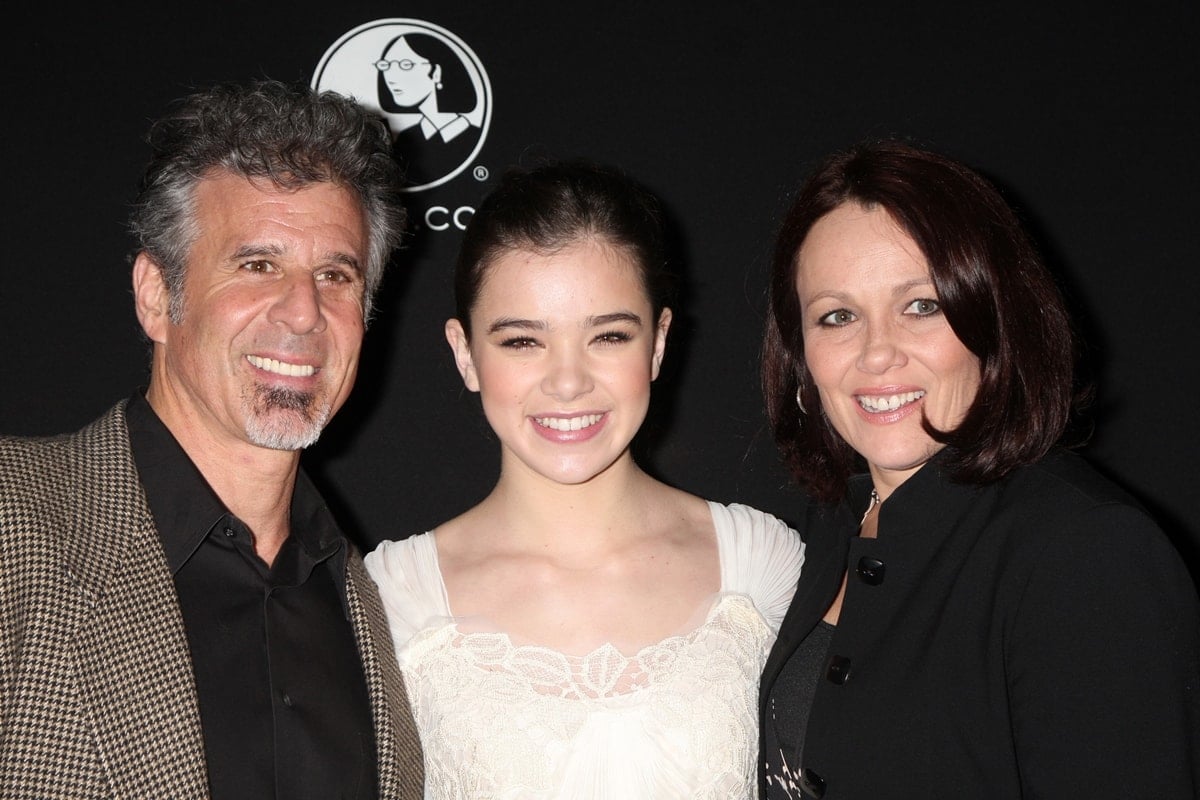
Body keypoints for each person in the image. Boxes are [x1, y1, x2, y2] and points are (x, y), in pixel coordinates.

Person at [0, 79, 423, 799]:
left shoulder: (378, 600)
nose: (303, 313)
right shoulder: (14, 524)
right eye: (258, 265)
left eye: (335, 274)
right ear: (156, 296)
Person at [757, 139, 1200, 798]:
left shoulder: (1086, 554)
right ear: (801, 355)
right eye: (839, 316)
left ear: (993, 320)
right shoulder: (833, 529)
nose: (878, 354)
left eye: (922, 306)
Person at [365, 158, 805, 798]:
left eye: (608, 336)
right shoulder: (392, 600)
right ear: (465, 354)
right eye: (522, 341)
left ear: (657, 344)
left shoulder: (760, 564)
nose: (567, 382)